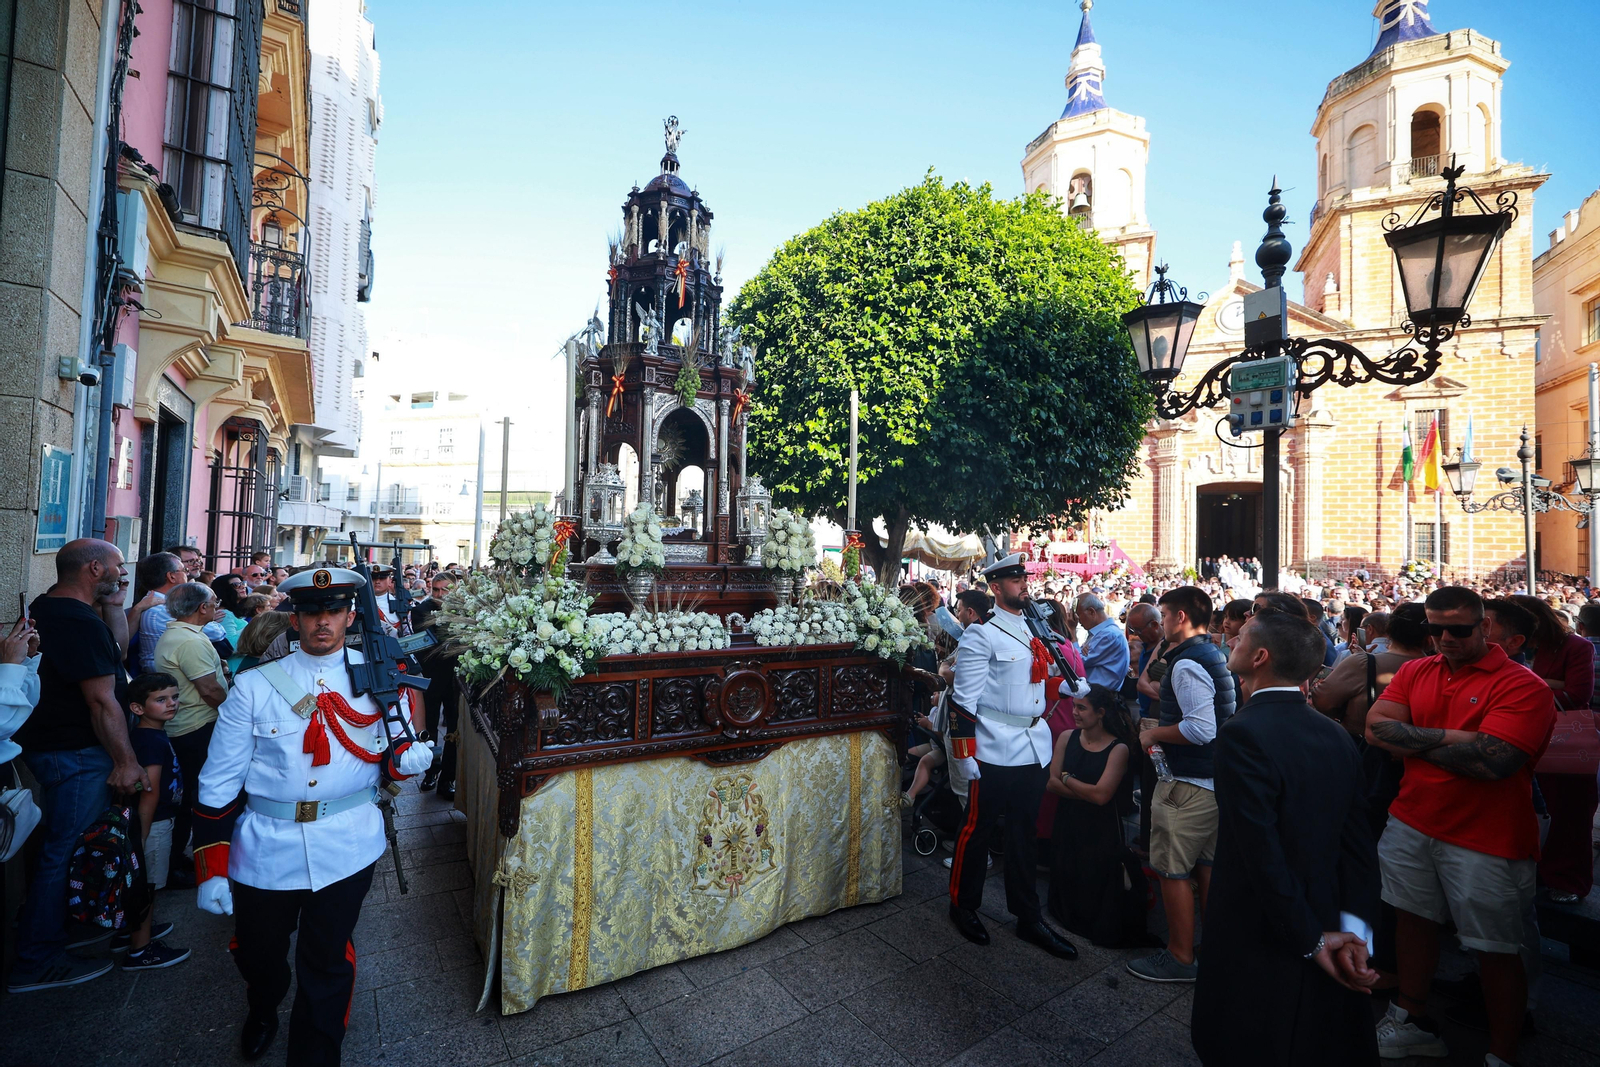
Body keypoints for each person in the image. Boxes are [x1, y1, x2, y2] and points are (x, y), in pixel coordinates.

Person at [190, 566, 434, 1064]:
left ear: (349, 616)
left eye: (333, 612)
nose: (322, 622)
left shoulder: (379, 677)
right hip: (265, 848)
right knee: (259, 955)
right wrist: (210, 869)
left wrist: (405, 759)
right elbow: (218, 783)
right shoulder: (255, 687)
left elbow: (390, 749)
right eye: (311, 613)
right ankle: (263, 1006)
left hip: (347, 844)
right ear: (294, 619)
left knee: (326, 962)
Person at [1365, 587, 1557, 1067]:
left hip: (1487, 837)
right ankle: (1411, 1019)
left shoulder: (1523, 686)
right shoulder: (1414, 670)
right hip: (1412, 821)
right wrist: (1462, 739)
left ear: (1485, 628)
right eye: (1435, 629)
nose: (1445, 638)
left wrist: (1413, 742)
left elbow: (1496, 762)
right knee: (1411, 920)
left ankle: (1502, 1053)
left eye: (1459, 629)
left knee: (1495, 948)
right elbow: (1376, 728)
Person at [1193, 610, 1382, 1067]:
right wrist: (1356, 934)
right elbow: (1360, 845)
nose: (1228, 641)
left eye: (1237, 639)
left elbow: (1260, 849)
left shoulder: (1242, 733)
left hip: (1263, 920)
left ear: (1259, 657)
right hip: (1326, 906)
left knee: (1251, 1035)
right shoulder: (1335, 734)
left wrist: (1312, 940)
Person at [7, 539, 145, 993]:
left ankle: (54, 936)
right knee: (61, 851)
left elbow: (116, 655)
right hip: (77, 755)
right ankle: (36, 959)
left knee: (59, 846)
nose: (123, 574)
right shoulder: (76, 622)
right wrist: (126, 762)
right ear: (93, 569)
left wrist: (115, 606)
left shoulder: (47, 609)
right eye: (118, 567)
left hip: (54, 750)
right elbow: (102, 700)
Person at [945, 553, 1080, 959]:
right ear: (997, 587)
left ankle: (1028, 916)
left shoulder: (1031, 629)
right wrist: (965, 753)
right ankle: (963, 904)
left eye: (1024, 577)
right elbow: (962, 702)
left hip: (1032, 745)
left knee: (1023, 832)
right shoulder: (981, 635)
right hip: (992, 746)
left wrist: (1063, 690)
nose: (1024, 584)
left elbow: (1030, 688)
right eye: (1014, 579)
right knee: (978, 829)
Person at [1129, 585, 1238, 984]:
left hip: (1187, 784)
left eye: (1164, 613)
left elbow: (1199, 727)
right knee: (1206, 866)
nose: (1161, 621)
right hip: (1211, 780)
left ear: (1179, 617)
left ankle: (1180, 955)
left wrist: (1154, 735)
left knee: (1172, 869)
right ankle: (1211, 947)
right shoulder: (1211, 652)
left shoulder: (1189, 662)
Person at [1508, 594, 1599, 906]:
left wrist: (1524, 683)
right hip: (1512, 739)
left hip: (1561, 744)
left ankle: (1568, 879)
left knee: (1568, 814)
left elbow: (1576, 695)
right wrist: (1549, 683)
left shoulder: (1576, 646)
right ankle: (1530, 874)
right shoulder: (1506, 647)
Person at [1045, 683, 1140, 946]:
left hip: (1100, 828)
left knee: (1092, 877)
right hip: (1069, 819)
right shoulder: (1067, 737)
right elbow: (1052, 783)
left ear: (1100, 713)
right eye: (1074, 706)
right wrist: (1082, 789)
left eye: (1081, 708)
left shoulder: (1118, 749)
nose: (1074, 712)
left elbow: (1102, 796)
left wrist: (1067, 779)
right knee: (1067, 868)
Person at [154, 582, 229, 870]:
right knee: (195, 799)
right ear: (203, 608)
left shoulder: (182, 635)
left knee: (190, 798)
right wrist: (235, 715)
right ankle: (180, 862)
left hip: (189, 727)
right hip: (196, 729)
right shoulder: (190, 641)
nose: (216, 605)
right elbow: (209, 690)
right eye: (214, 601)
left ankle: (178, 860)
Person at [120, 672, 190, 970]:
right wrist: (142, 837)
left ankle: (136, 932)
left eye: (174, 697)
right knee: (146, 887)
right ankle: (141, 949)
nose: (171, 704)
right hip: (154, 825)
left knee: (145, 886)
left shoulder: (154, 734)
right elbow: (149, 792)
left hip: (157, 823)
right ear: (138, 708)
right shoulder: (149, 740)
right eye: (160, 700)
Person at [1077, 593, 1130, 691]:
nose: (1077, 620)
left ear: (1091, 612)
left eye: (1078, 615)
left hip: (1098, 696)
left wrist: (1073, 637)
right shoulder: (1102, 633)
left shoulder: (1108, 635)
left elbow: (1076, 662)